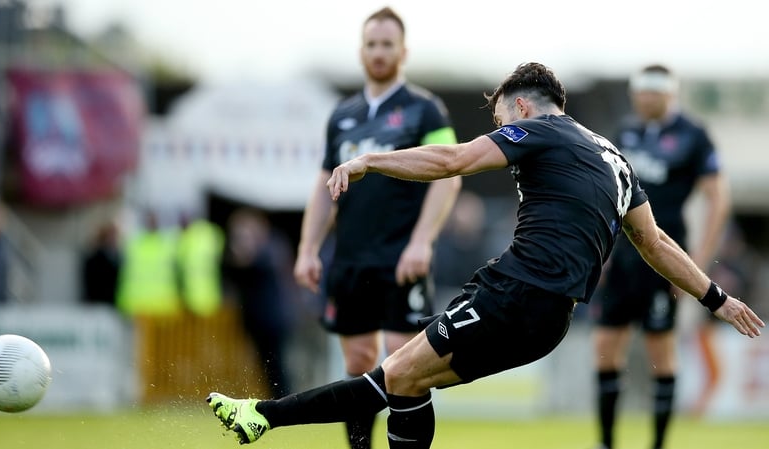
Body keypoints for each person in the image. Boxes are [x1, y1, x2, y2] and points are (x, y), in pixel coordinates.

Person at [205, 62, 764, 449]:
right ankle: (266, 417)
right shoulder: (615, 157)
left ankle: (263, 416)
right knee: (407, 382)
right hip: (550, 321)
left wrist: (372, 161)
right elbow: (657, 242)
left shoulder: (540, 129)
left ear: (521, 105)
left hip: (517, 293)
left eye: (500, 121)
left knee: (393, 373)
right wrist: (716, 296)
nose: (501, 132)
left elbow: (452, 160)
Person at [291, 7, 461, 448]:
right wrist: (308, 249)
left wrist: (422, 242)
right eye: (372, 44)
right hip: (350, 259)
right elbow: (323, 184)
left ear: (403, 51)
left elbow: (451, 175)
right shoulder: (342, 115)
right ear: (361, 51)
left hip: (401, 256)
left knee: (405, 366)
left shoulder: (424, 109)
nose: (379, 52)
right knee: (359, 361)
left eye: (387, 44)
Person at [590, 64, 731, 449]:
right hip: (621, 255)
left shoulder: (693, 135)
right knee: (604, 347)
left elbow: (717, 197)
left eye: (653, 92)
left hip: (665, 257)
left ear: (669, 94)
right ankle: (605, 442)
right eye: (641, 92)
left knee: (661, 351)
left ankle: (659, 444)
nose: (645, 99)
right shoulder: (626, 132)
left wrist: (696, 263)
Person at [222, 207, 297, 398]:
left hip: (272, 319)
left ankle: (283, 399)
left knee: (275, 363)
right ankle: (278, 399)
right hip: (258, 320)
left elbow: (253, 267)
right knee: (267, 363)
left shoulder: (269, 248)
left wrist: (243, 252)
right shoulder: (256, 251)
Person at [81, 218, 122, 306]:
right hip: (97, 305)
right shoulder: (93, 259)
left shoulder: (118, 257)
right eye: (110, 236)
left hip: (113, 304)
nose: (113, 239)